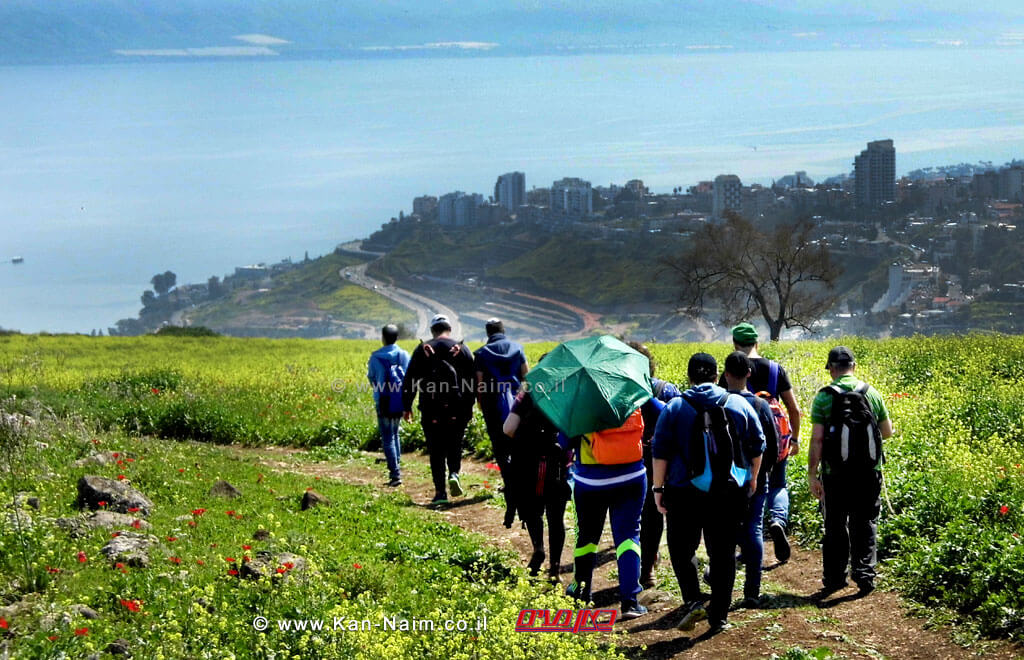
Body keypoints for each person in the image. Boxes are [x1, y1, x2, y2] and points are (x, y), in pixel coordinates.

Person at [652, 352, 764, 634]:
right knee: (723, 553)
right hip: (728, 491)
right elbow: (757, 445)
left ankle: (693, 600)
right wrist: (751, 480)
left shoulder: (675, 407)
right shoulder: (738, 403)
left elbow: (660, 452)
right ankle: (720, 616)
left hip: (683, 493)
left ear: (689, 377)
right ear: (718, 375)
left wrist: (657, 488)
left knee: (681, 550)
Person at [807, 346, 893, 595]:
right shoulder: (872, 394)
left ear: (831, 369)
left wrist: (813, 474)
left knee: (835, 524)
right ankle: (865, 574)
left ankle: (835, 579)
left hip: (835, 474)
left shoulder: (824, 397)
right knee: (865, 522)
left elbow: (817, 440)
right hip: (869, 472)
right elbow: (886, 432)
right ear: (854, 366)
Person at [725, 322, 801, 562]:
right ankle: (778, 520)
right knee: (778, 485)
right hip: (774, 437)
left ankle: (745, 544)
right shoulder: (775, 369)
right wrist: (795, 439)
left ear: (735, 344)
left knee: (743, 490)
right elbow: (794, 409)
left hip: (740, 444)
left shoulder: (732, 369)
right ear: (757, 342)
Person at [564, 405, 649, 620]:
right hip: (631, 476)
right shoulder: (632, 395)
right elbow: (660, 415)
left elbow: (564, 442)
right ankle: (630, 601)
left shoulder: (582, 402)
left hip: (590, 481)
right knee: (629, 536)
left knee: (587, 537)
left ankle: (581, 594)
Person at [722, 351, 778, 608]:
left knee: (725, 531)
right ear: (749, 374)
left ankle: (720, 584)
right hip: (755, 476)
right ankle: (752, 591)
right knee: (753, 528)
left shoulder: (718, 403)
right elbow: (773, 447)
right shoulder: (760, 404)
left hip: (724, 479)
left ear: (725, 374)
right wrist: (764, 472)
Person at [401, 314, 476, 505]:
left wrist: (406, 406)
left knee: (436, 450)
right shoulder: (462, 350)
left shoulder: (423, 349)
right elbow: (473, 383)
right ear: (449, 329)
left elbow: (410, 380)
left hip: (430, 408)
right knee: (455, 444)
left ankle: (440, 493)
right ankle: (454, 473)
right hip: (457, 410)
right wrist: (470, 407)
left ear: (433, 331)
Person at [627, 341, 682, 589]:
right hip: (663, 463)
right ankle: (647, 569)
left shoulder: (618, 392)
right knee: (654, 516)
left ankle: (639, 568)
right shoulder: (667, 390)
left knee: (632, 519)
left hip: (626, 463)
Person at [502, 381, 570, 582]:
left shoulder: (527, 394)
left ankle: (538, 548)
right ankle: (555, 569)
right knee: (556, 518)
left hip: (528, 462)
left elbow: (508, 428)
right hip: (557, 465)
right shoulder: (569, 395)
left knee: (532, 511)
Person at [474, 318, 529, 527]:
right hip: (517, 405)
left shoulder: (481, 353)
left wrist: (481, 404)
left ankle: (510, 485)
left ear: (488, 333)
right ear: (503, 330)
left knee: (500, 448)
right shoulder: (518, 348)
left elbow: (479, 384)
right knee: (518, 446)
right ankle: (521, 486)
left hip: (493, 406)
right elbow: (528, 377)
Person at [366, 324, 411, 487]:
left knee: (387, 437)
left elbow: (371, 378)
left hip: (383, 400)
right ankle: (397, 466)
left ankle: (395, 474)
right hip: (400, 399)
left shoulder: (375, 356)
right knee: (395, 433)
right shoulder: (404, 355)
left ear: (383, 338)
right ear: (397, 337)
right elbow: (410, 377)